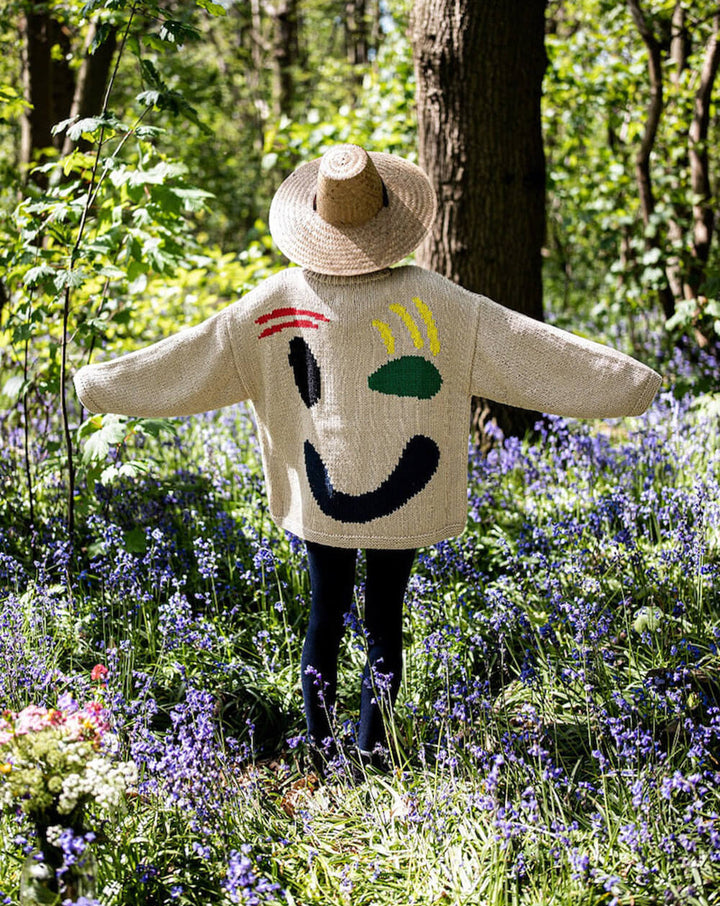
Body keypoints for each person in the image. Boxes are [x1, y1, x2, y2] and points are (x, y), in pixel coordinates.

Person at [74, 144, 661, 772]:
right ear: (389, 220)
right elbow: (532, 349)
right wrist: (630, 384)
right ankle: (372, 752)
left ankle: (321, 755)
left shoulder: (272, 303)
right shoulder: (437, 302)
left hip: (320, 498)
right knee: (385, 618)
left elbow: (189, 358)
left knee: (325, 614)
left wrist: (100, 384)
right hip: (402, 492)